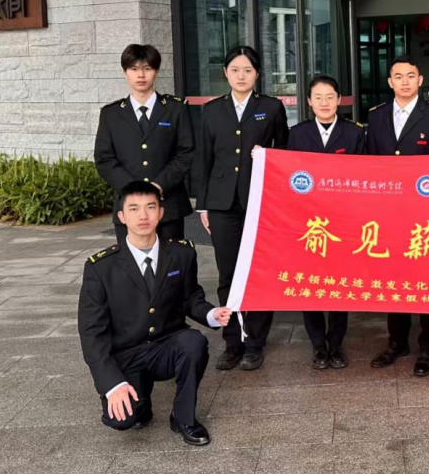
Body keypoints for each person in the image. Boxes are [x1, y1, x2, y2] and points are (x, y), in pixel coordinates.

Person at [78, 181, 232, 445]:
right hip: (126, 354)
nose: (143, 215)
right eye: (134, 208)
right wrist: (112, 384)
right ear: (121, 216)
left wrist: (211, 314)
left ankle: (183, 417)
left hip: (165, 346)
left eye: (150, 207)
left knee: (194, 342)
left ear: (161, 212)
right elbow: (92, 334)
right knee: (124, 420)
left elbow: (190, 298)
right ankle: (140, 400)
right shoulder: (101, 267)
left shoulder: (182, 253)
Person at [198, 45, 289, 372]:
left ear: (257, 74)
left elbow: (285, 151)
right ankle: (232, 342)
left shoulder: (271, 107)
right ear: (226, 73)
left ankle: (254, 342)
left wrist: (266, 154)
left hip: (261, 200)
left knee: (259, 271)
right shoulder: (211, 110)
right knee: (228, 273)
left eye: (247, 70)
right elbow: (203, 160)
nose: (241, 75)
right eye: (235, 70)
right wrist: (203, 206)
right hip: (222, 204)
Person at [365, 54, 429, 377]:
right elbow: (370, 165)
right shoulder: (375, 116)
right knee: (393, 278)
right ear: (390, 82)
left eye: (410, 76)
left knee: (427, 280)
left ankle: (428, 346)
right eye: (398, 76)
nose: (405, 81)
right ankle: (397, 342)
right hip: (389, 214)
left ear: (420, 80)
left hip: (424, 216)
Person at [287, 74, 367, 370]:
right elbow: (287, 176)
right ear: (309, 101)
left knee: (338, 283)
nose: (324, 102)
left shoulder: (354, 133)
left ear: (339, 100)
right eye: (318, 97)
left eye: (330, 97)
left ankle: (336, 343)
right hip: (308, 224)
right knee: (309, 283)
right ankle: (318, 345)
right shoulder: (297, 134)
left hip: (342, 222)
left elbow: (364, 177)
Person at [94, 44, 195, 246]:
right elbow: (104, 159)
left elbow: (186, 152)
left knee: (170, 260)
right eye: (134, 69)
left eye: (147, 68)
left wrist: (159, 184)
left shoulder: (175, 109)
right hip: (128, 206)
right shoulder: (111, 114)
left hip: (168, 205)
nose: (141, 75)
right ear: (125, 73)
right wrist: (133, 189)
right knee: (130, 262)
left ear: (156, 71)